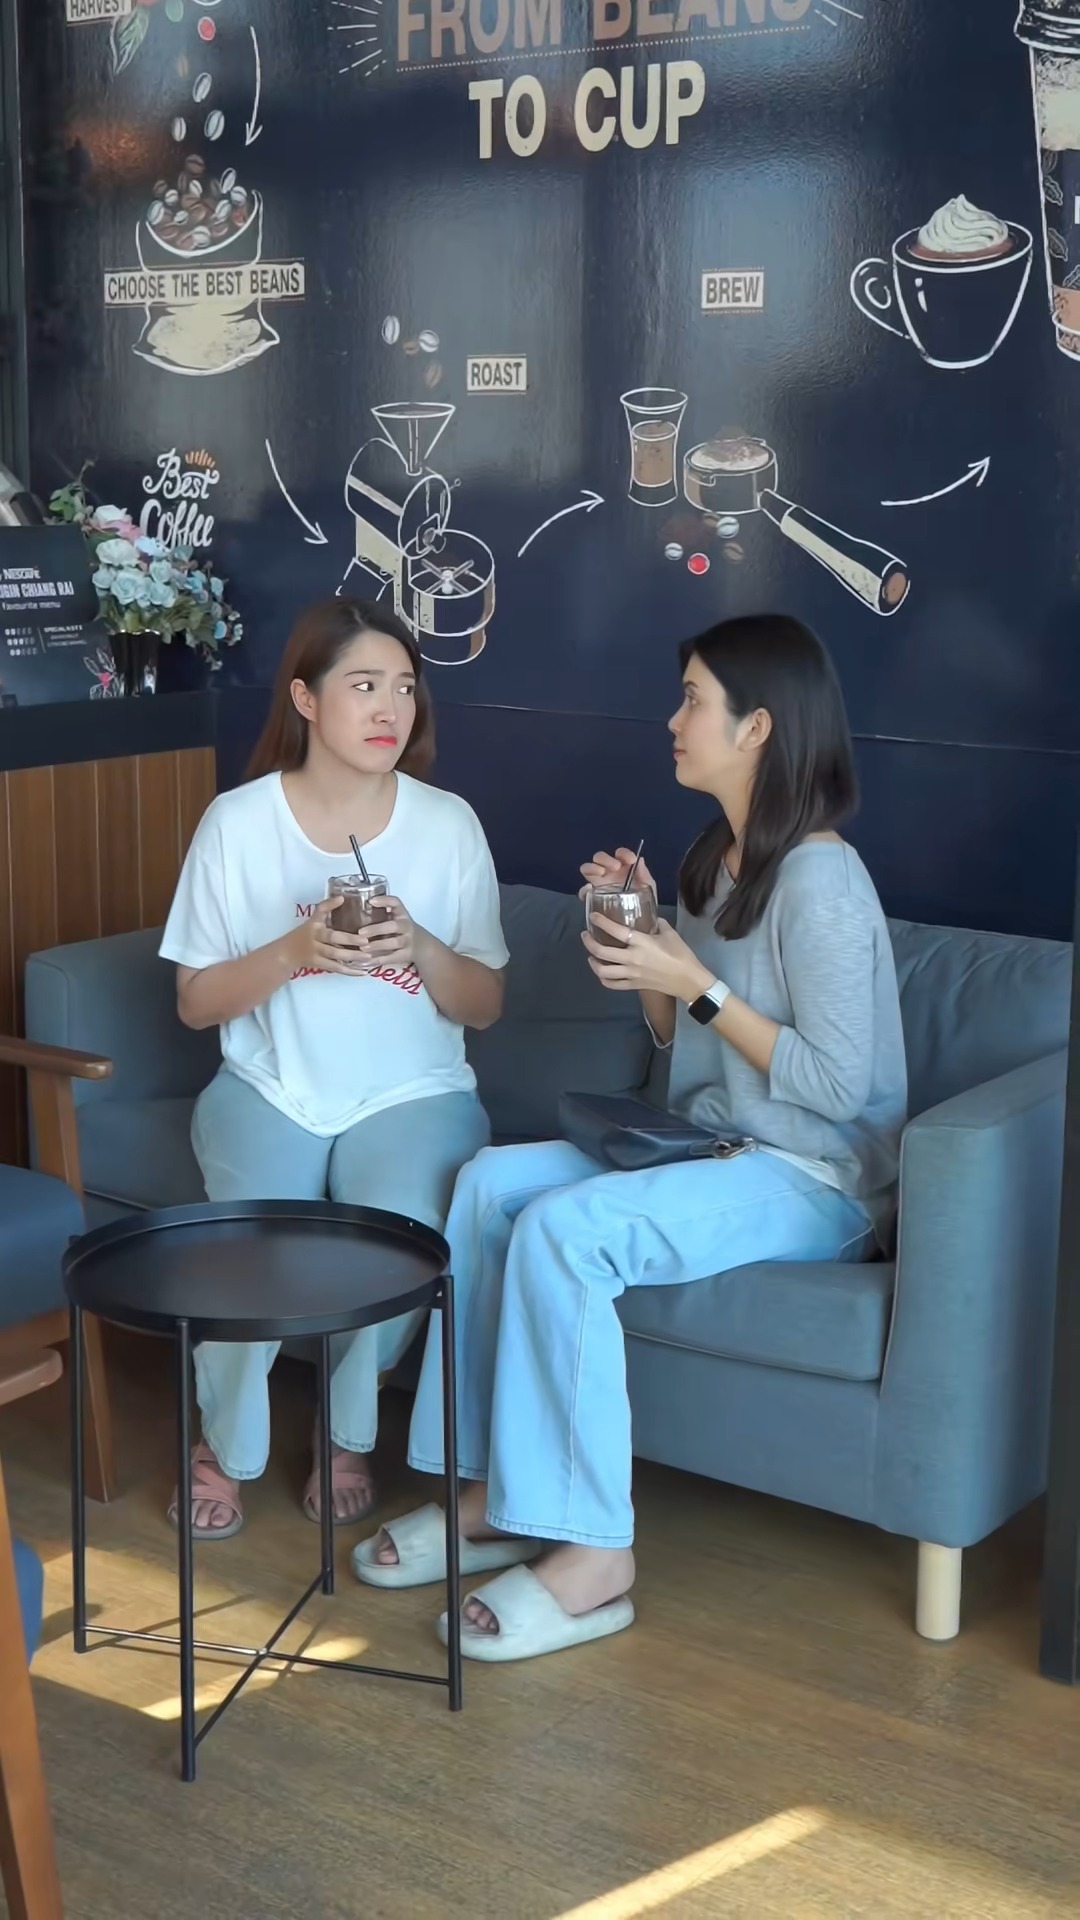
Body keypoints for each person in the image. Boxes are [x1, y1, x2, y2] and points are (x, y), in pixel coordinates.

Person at [353, 612, 908, 1663]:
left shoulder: (823, 881)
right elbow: (678, 1040)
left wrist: (690, 981)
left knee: (570, 1231)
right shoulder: (720, 861)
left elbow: (841, 1088)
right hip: (713, 1148)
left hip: (816, 1176)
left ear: (758, 727)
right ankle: (497, 1493)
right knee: (488, 1183)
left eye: (694, 699)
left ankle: (596, 1555)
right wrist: (648, 942)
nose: (673, 720)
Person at [159, 597, 508, 1539]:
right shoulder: (237, 824)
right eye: (363, 686)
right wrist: (296, 951)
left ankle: (346, 1431)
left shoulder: (447, 825)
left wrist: (423, 945)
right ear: (307, 700)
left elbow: (484, 1004)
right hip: (269, 1085)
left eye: (405, 687)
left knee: (400, 1232)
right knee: (248, 1246)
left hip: (414, 1091)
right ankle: (222, 1443)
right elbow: (195, 1002)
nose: (390, 708)